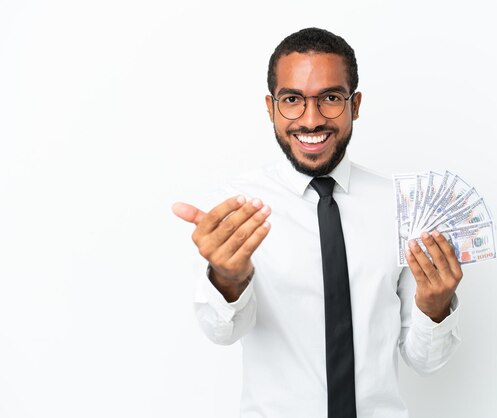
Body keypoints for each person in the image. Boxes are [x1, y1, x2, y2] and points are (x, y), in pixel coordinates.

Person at [172, 27, 463, 418]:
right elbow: (222, 333)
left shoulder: (402, 208)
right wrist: (227, 278)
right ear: (271, 107)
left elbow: (426, 361)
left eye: (330, 98)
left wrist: (436, 306)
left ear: (354, 105)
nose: (311, 120)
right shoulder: (232, 214)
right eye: (292, 99)